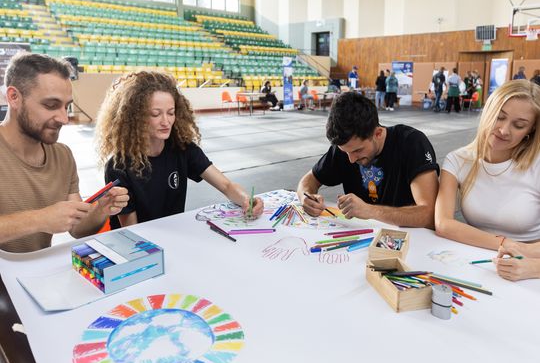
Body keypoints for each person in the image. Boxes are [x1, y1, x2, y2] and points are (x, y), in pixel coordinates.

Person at [96, 71, 263, 229]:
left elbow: (226, 185)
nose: (166, 121)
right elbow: (133, 230)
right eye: (155, 114)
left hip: (174, 236)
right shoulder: (118, 166)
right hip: (141, 244)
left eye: (171, 113)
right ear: (135, 118)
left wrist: (246, 200)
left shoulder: (183, 149)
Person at [0, 53, 129, 253]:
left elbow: (78, 229)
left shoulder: (62, 155)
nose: (63, 118)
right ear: (14, 97)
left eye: (66, 106)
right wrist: (40, 219)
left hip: (33, 276)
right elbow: (45, 219)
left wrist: (101, 210)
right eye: (51, 105)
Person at [297, 91, 439, 228]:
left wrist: (370, 211)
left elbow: (429, 214)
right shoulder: (346, 146)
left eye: (358, 150)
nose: (351, 159)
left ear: (378, 133)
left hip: (409, 239)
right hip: (362, 235)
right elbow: (309, 179)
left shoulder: (412, 143)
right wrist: (307, 198)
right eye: (345, 152)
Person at [435, 80, 540, 257]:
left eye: (519, 125)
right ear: (488, 111)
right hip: (479, 259)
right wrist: (507, 245)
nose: (504, 130)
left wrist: (529, 260)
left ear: (531, 129)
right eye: (500, 116)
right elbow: (443, 224)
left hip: (530, 262)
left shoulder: (536, 164)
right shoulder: (458, 160)